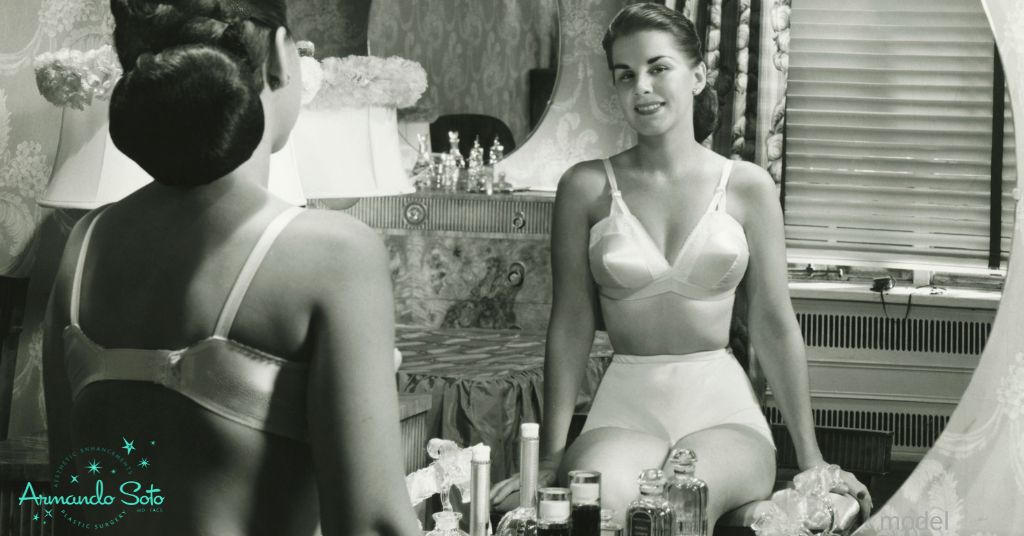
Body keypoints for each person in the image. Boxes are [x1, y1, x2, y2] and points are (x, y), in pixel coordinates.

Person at [41, 1, 420, 535]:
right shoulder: (332, 254)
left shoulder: (83, 246)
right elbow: (373, 524)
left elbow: (73, 504)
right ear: (283, 60)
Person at [491, 3, 871, 531]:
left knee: (680, 504)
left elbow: (773, 322)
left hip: (725, 414)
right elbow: (571, 323)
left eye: (657, 67)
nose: (641, 87)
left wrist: (811, 460)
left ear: (697, 76)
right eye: (625, 76)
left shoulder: (747, 187)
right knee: (604, 505)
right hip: (623, 410)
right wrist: (552, 457)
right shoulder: (584, 188)